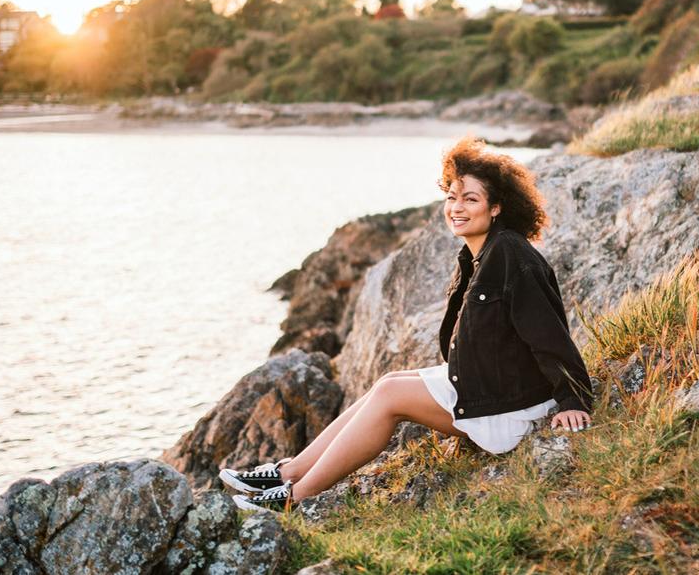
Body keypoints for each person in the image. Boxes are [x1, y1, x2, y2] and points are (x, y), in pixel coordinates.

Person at [221, 136, 594, 512]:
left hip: (511, 408)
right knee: (388, 382)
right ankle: (289, 471)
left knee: (389, 398)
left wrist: (572, 399)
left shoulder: (510, 254)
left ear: (496, 208)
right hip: (491, 383)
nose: (457, 208)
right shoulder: (478, 254)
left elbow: (548, 332)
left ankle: (294, 497)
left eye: (470, 199)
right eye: (451, 197)